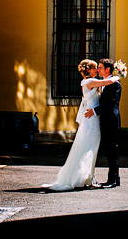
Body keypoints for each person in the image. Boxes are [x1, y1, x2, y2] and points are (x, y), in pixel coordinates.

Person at [42, 59, 118, 191]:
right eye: (95, 68)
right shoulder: (90, 82)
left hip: (94, 118)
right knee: (89, 147)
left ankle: (88, 177)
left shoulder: (91, 82)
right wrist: (118, 75)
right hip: (91, 119)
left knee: (90, 147)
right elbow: (110, 81)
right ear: (88, 70)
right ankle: (82, 177)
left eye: (99, 68)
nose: (97, 70)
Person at [85, 58, 121, 188]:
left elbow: (110, 104)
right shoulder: (104, 83)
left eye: (100, 67)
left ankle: (113, 180)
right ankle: (114, 179)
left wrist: (94, 111)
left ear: (107, 69)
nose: (98, 69)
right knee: (110, 150)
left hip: (111, 121)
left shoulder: (116, 84)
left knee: (112, 150)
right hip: (105, 121)